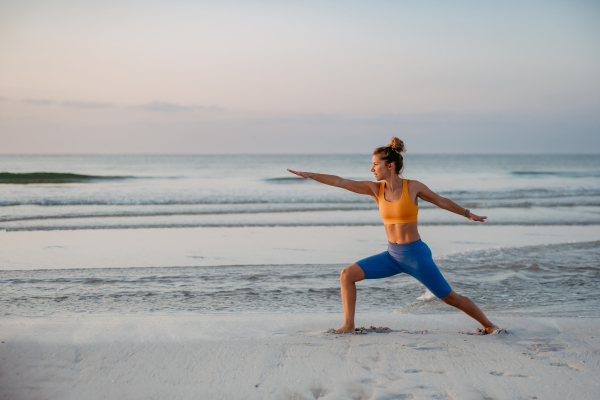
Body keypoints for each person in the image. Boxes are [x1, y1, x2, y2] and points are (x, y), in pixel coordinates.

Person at [287, 137, 500, 334]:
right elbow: (340, 181)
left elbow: (441, 201)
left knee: (451, 299)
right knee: (347, 275)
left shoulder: (413, 187)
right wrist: (310, 175)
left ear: (390, 166)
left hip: (416, 257)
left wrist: (467, 213)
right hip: (392, 256)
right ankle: (348, 325)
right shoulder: (375, 190)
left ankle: (490, 326)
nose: (371, 169)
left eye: (375, 165)